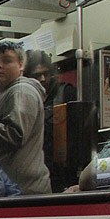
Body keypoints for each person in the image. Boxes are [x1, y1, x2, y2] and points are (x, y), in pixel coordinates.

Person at [0, 41, 52, 194]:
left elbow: (14, 135)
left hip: (23, 190)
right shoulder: (5, 93)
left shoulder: (21, 91)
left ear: (21, 65)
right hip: (12, 188)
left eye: (7, 61)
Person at [24, 50, 76, 181]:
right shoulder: (22, 100)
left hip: (62, 169)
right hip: (33, 169)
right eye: (37, 76)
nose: (42, 79)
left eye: (46, 74)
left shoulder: (65, 94)